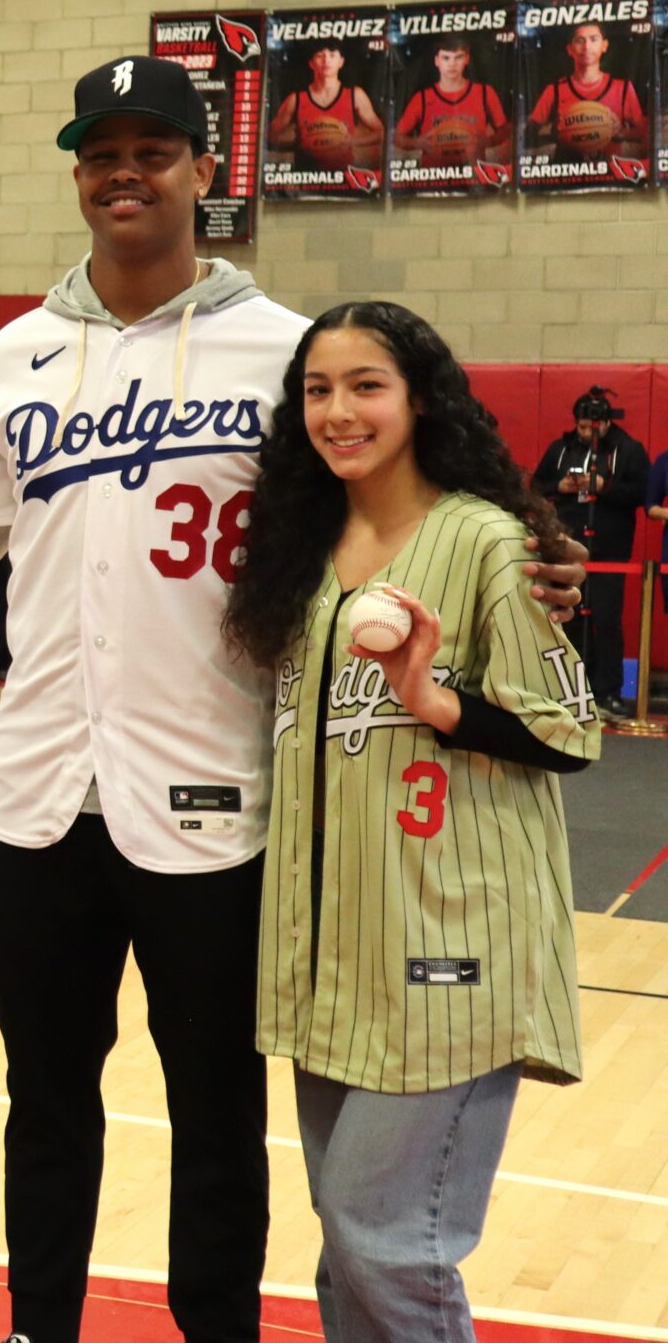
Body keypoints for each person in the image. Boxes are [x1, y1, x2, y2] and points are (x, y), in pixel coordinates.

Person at [0, 58, 585, 1343]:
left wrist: (527, 549)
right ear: (76, 173)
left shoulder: (284, 352)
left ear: (203, 173)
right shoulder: (12, 355)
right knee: (45, 1100)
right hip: (32, 801)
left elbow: (393, 486)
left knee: (213, 1111)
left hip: (216, 803)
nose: (124, 170)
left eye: (154, 149)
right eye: (99, 151)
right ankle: (37, 1326)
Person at [223, 301, 598, 1343]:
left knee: (385, 1233)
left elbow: (569, 731)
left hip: (451, 941)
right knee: (347, 1251)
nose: (337, 411)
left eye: (365, 386)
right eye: (316, 390)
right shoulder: (302, 548)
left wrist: (434, 698)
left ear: (421, 398)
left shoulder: (488, 540)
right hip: (331, 948)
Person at [531, 388, 645, 718]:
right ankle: (570, 687)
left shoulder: (628, 450)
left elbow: (641, 491)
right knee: (569, 617)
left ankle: (608, 692)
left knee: (606, 619)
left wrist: (603, 487)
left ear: (606, 423)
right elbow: (536, 485)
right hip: (568, 544)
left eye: (591, 427)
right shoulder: (562, 448)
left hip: (610, 549)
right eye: (581, 427)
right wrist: (560, 488)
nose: (585, 433)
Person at [525, 23, 651, 158]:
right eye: (580, 40)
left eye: (594, 39)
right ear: (569, 49)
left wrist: (621, 132)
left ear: (604, 45)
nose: (587, 47)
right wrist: (555, 132)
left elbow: (644, 132)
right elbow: (527, 136)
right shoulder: (554, 90)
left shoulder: (623, 88)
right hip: (567, 170)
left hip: (611, 171)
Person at [393, 36, 511, 168]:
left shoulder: (485, 93)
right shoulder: (422, 98)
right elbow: (396, 137)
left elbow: (505, 130)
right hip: (434, 177)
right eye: (446, 58)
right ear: (436, 61)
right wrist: (417, 143)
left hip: (474, 175)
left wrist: (489, 141)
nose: (452, 64)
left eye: (458, 57)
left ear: (467, 58)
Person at [268, 40, 383, 164]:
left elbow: (381, 133)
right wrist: (299, 143)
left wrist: (353, 141)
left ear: (341, 62)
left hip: (344, 178)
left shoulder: (355, 95)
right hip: (306, 176)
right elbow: (270, 136)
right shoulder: (295, 99)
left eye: (332, 55)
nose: (326, 60)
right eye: (319, 55)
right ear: (311, 63)